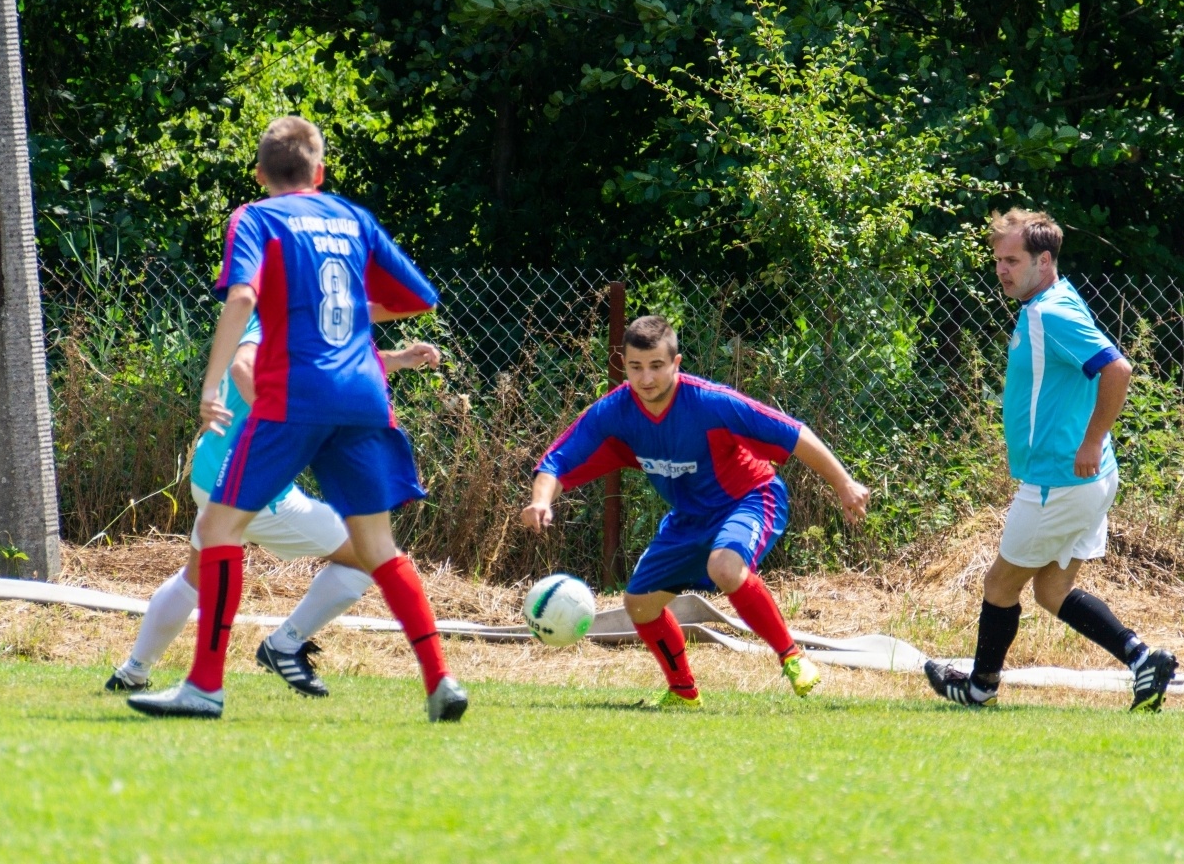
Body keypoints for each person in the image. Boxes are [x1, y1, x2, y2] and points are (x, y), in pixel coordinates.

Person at [127, 115, 467, 721]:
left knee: (221, 531)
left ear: (260, 175)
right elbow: (419, 298)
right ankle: (440, 680)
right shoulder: (352, 218)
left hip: (291, 398)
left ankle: (204, 686)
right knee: (377, 546)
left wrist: (211, 385)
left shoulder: (256, 217)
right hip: (363, 397)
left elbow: (241, 297)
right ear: (321, 172)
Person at [521, 315, 870, 708]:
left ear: (676, 363)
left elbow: (792, 432)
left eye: (656, 365)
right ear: (624, 366)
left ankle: (792, 656)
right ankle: (683, 692)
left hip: (751, 498)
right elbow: (557, 458)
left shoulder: (710, 402)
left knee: (724, 568)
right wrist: (541, 500)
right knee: (639, 604)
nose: (646, 378)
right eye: (635, 367)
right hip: (688, 518)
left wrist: (843, 483)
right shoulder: (614, 410)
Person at [104, 313, 440, 698]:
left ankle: (133, 672)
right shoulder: (281, 312)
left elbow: (327, 369)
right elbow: (243, 367)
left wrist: (397, 359)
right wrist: (283, 421)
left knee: (194, 579)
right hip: (256, 492)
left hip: (212, 473)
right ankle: (284, 645)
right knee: (369, 556)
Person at [924, 209, 1178, 711]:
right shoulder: (1049, 301)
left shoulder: (1049, 314)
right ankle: (1143, 659)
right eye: (998, 260)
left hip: (1059, 480)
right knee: (1052, 589)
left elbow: (1118, 369)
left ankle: (980, 687)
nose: (1002, 270)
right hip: (1086, 478)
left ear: (1044, 260)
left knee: (1000, 584)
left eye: (1012, 260)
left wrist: (1090, 440)